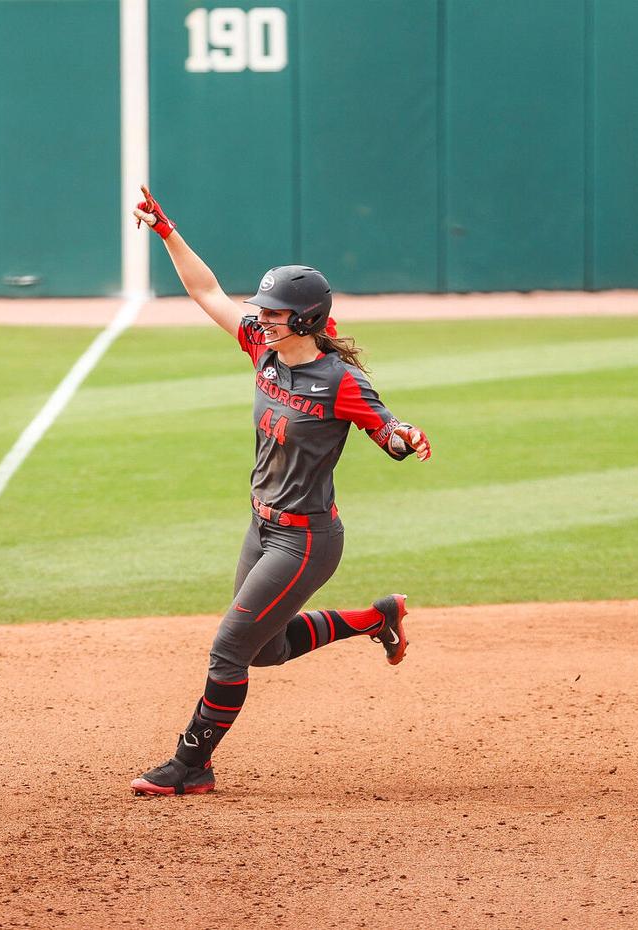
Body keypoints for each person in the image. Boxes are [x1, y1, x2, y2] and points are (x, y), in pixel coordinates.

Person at [129, 186, 432, 796]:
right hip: (261, 529)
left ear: (307, 318)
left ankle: (191, 766)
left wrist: (403, 436)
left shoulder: (339, 381)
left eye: (273, 311)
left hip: (306, 541)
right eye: (262, 310)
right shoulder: (263, 353)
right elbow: (205, 291)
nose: (260, 316)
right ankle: (378, 618)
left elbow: (387, 430)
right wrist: (167, 231)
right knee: (264, 652)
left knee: (229, 649)